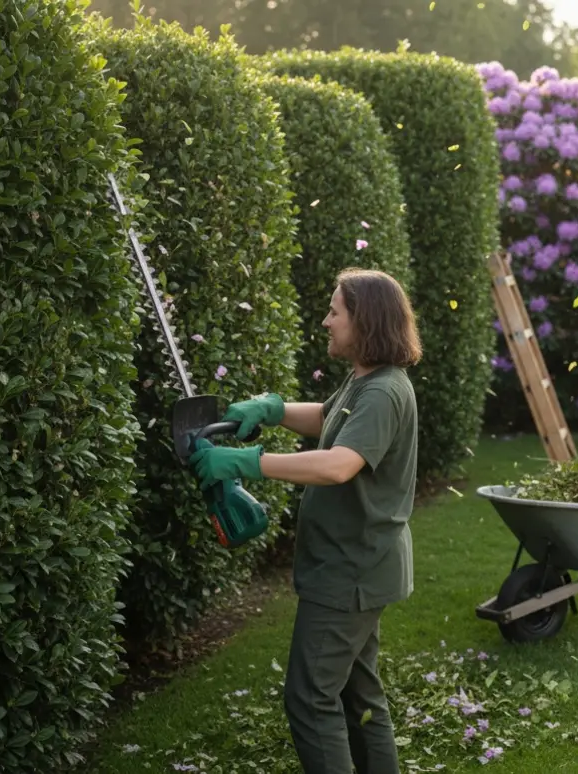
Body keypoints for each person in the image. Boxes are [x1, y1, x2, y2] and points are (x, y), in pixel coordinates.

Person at [189, 267, 421, 774]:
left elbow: (339, 463)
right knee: (360, 698)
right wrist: (272, 410)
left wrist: (248, 462)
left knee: (310, 699)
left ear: (364, 321)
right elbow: (329, 417)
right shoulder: (367, 380)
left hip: (350, 571)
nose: (325, 321)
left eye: (334, 312)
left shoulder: (383, 391)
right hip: (359, 563)